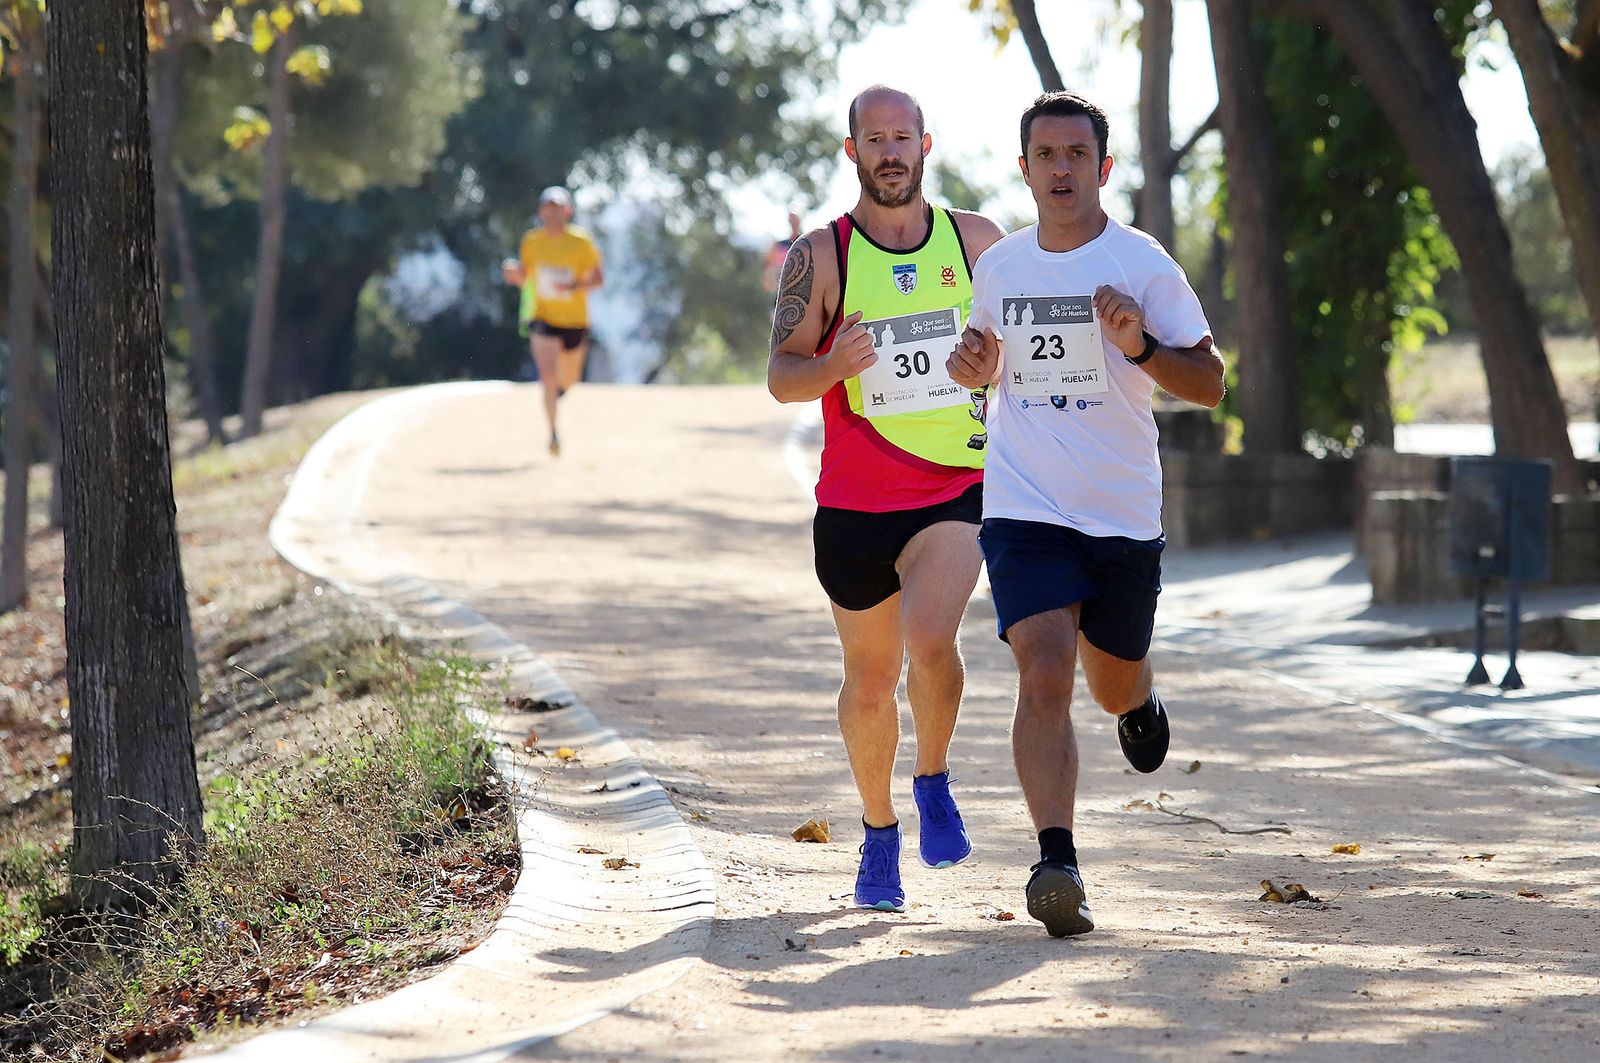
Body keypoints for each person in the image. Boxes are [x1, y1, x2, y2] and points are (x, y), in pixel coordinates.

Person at [947, 91, 1225, 938]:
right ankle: (1056, 861)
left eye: (1076, 155)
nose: (1060, 169)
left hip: (1120, 512)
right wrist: (973, 369)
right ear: (1024, 168)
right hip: (1024, 503)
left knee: (1109, 683)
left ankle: (1139, 696)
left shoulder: (1142, 262)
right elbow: (984, 367)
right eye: (1046, 155)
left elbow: (1211, 383)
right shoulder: (1002, 267)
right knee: (1043, 667)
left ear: (1103, 169)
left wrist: (1140, 345)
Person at [767, 86, 1006, 912]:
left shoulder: (977, 242)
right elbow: (782, 377)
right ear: (853, 152)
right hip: (855, 503)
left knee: (932, 636)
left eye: (903, 137)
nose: (891, 152)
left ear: (926, 145)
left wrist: (992, 367)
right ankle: (878, 832)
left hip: (954, 484)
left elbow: (1021, 355)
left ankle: (932, 777)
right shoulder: (822, 256)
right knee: (870, 682)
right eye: (875, 139)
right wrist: (831, 365)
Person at [501, 186, 603, 456]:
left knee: (568, 379)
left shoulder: (581, 242)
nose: (553, 212)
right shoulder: (532, 242)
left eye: (558, 207)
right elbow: (528, 281)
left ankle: (559, 391)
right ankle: (553, 432)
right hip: (543, 318)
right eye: (548, 207)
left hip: (574, 321)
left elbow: (598, 280)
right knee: (548, 376)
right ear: (541, 211)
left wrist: (572, 286)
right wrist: (515, 276)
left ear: (568, 211)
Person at [764, 211, 803, 293]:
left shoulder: (804, 243)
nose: (793, 224)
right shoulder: (780, 245)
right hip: (780, 285)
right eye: (791, 221)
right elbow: (769, 263)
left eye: (795, 221)